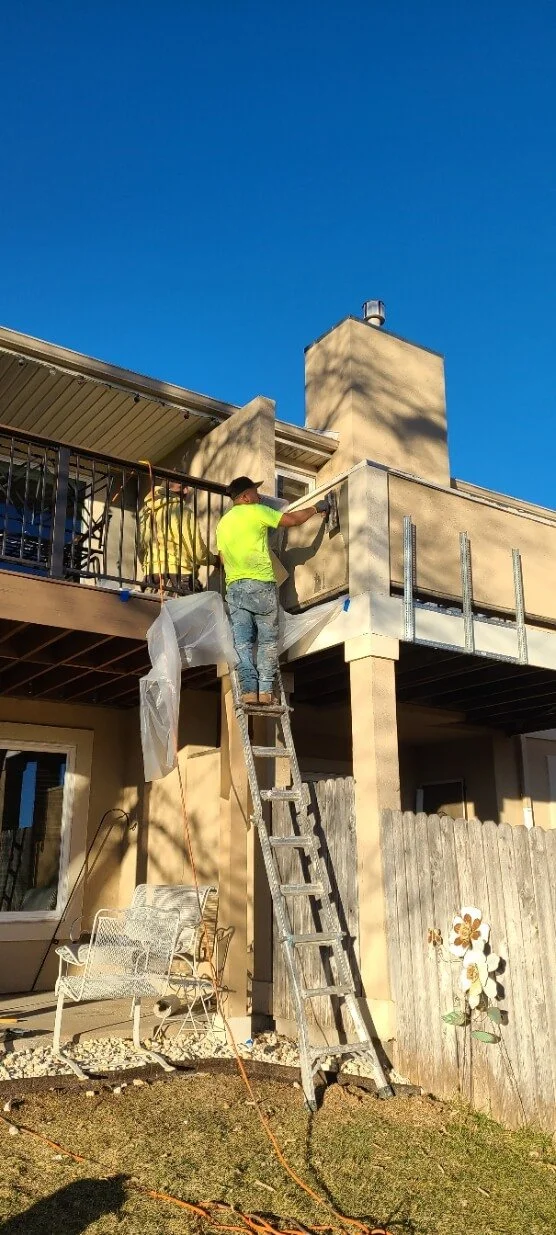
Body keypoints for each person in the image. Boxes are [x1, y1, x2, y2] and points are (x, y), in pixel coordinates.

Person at [216, 475, 329, 705]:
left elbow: (222, 557)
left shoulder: (223, 524)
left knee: (242, 643)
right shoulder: (256, 511)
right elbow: (293, 520)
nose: (259, 496)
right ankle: (266, 691)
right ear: (245, 497)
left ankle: (249, 690)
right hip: (261, 585)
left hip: (235, 587)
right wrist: (317, 507)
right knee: (267, 641)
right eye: (255, 493)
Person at [138, 479, 215, 595]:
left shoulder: (146, 513)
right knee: (190, 612)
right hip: (179, 575)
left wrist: (149, 566)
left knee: (152, 612)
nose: (186, 491)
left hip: (152, 576)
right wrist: (215, 560)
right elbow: (197, 551)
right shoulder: (183, 511)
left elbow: (141, 548)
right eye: (184, 487)